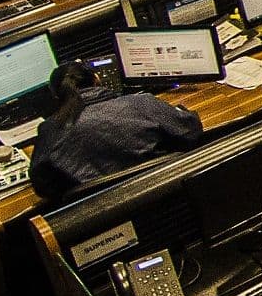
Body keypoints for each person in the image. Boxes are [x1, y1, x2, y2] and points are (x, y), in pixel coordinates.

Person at [30, 60, 203, 202]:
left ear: (56, 96)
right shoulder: (142, 103)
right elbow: (191, 131)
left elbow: (43, 187)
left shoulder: (50, 130)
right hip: (167, 197)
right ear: (97, 79)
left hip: (105, 218)